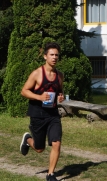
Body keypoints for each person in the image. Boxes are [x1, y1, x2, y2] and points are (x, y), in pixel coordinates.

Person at [20, 42, 64, 181]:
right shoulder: (37, 74)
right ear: (45, 56)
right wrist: (39, 97)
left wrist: (60, 97)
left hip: (53, 114)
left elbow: (60, 92)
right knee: (39, 149)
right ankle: (27, 139)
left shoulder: (60, 76)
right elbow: (24, 91)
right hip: (37, 114)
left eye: (56, 55)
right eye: (51, 55)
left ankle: (51, 174)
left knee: (56, 142)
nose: (54, 57)